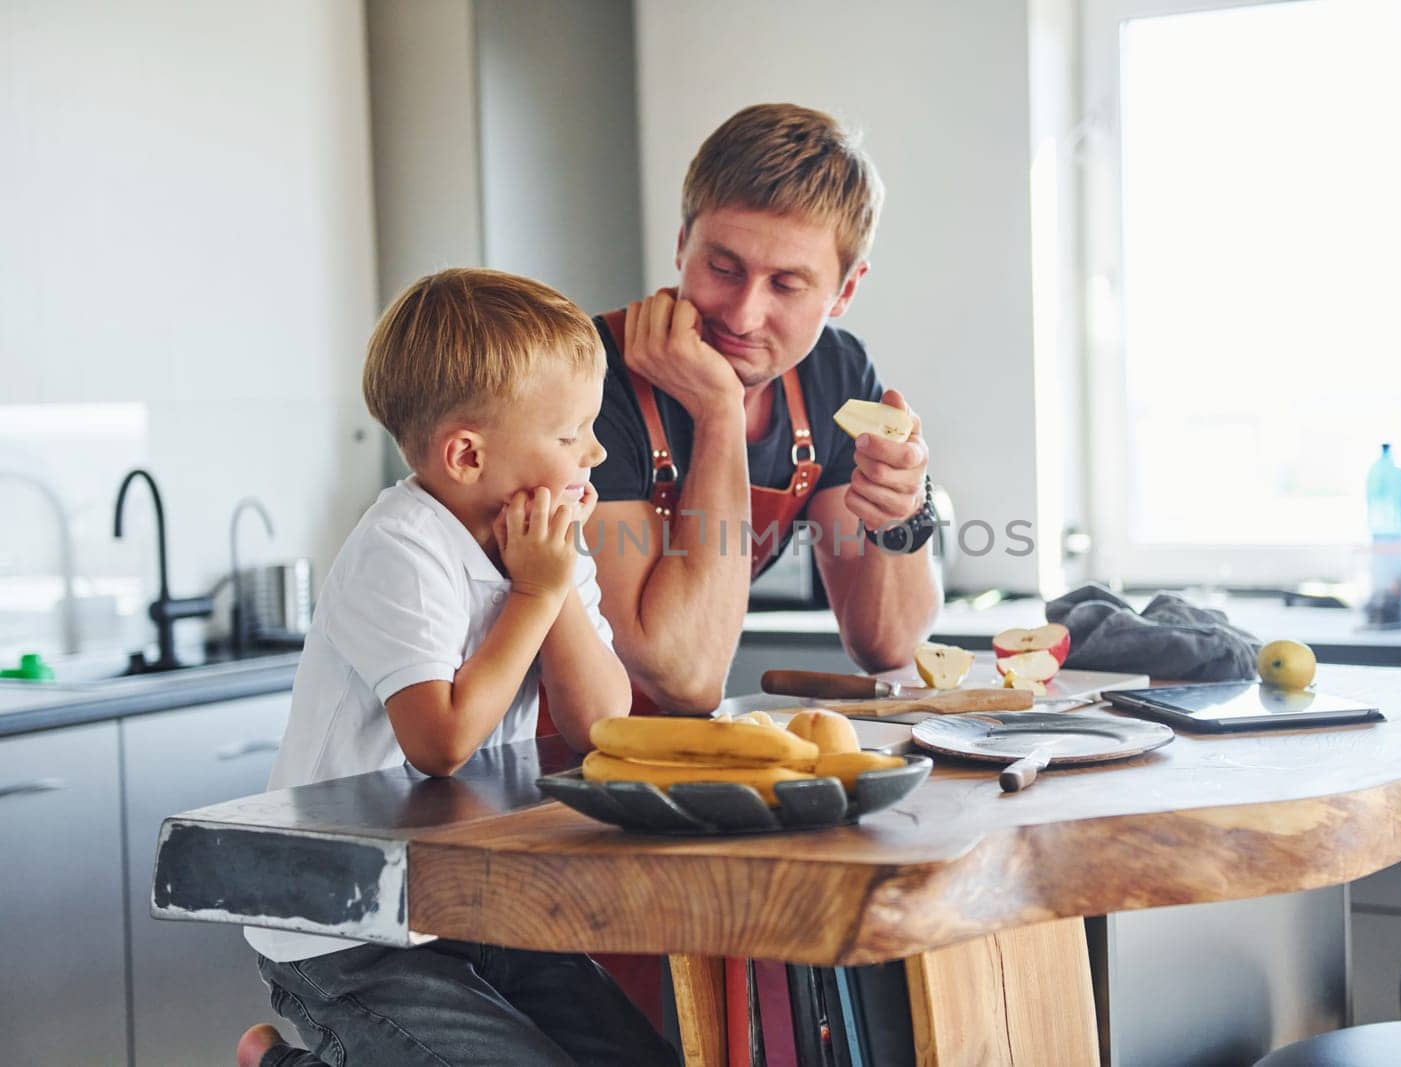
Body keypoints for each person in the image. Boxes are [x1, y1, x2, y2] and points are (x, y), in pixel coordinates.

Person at [238, 268, 676, 1066]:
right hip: (343, 923)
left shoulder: (542, 547)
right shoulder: (400, 548)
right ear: (468, 454)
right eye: (572, 432)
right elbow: (438, 742)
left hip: (472, 900)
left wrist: (556, 585)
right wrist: (536, 594)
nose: (598, 448)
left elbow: (604, 725)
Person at [585, 103, 943, 715]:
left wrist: (904, 514)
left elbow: (887, 644)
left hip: (664, 752)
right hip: (520, 751)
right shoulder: (588, 376)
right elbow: (683, 674)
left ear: (845, 292)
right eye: (723, 268)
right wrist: (720, 410)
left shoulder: (835, 374)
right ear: (682, 246)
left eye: (786, 285)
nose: (742, 315)